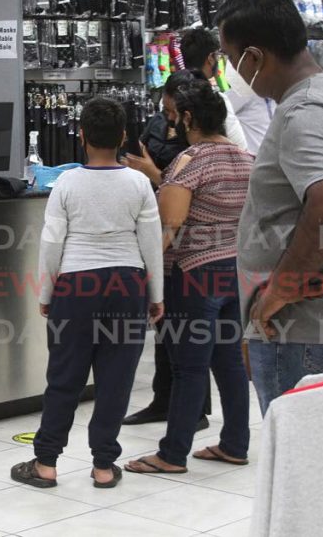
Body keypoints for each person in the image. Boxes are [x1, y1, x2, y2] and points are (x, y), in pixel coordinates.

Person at [216, 0, 323, 414]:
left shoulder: (303, 111)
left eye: (231, 58)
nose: (231, 69)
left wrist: (281, 288)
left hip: (305, 327)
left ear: (254, 57)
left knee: (301, 465)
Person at [11, 97, 164, 490]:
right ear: (124, 137)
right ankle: (102, 465)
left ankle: (46, 463)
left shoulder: (66, 183)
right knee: (116, 379)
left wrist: (47, 292)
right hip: (127, 284)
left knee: (65, 377)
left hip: (76, 285)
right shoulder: (139, 183)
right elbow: (151, 244)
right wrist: (156, 295)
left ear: (81, 137)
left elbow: (51, 244)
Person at [126, 78, 252, 475]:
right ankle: (235, 443)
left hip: (193, 274)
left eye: (175, 115)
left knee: (188, 366)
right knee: (229, 361)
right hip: (234, 271)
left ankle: (172, 453)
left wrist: (144, 274)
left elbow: (170, 226)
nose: (172, 122)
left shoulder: (190, 161)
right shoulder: (247, 160)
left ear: (189, 117)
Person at [121, 73, 212, 431]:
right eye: (165, 108)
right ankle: (164, 399)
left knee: (189, 335)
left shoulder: (202, 143)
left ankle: (193, 411)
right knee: (166, 329)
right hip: (155, 226)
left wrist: (152, 172)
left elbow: (187, 192)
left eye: (173, 111)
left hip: (188, 242)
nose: (168, 116)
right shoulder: (160, 123)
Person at [179, 27, 247, 151]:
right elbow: (239, 146)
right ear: (211, 58)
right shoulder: (215, 99)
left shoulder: (171, 94)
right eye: (219, 56)